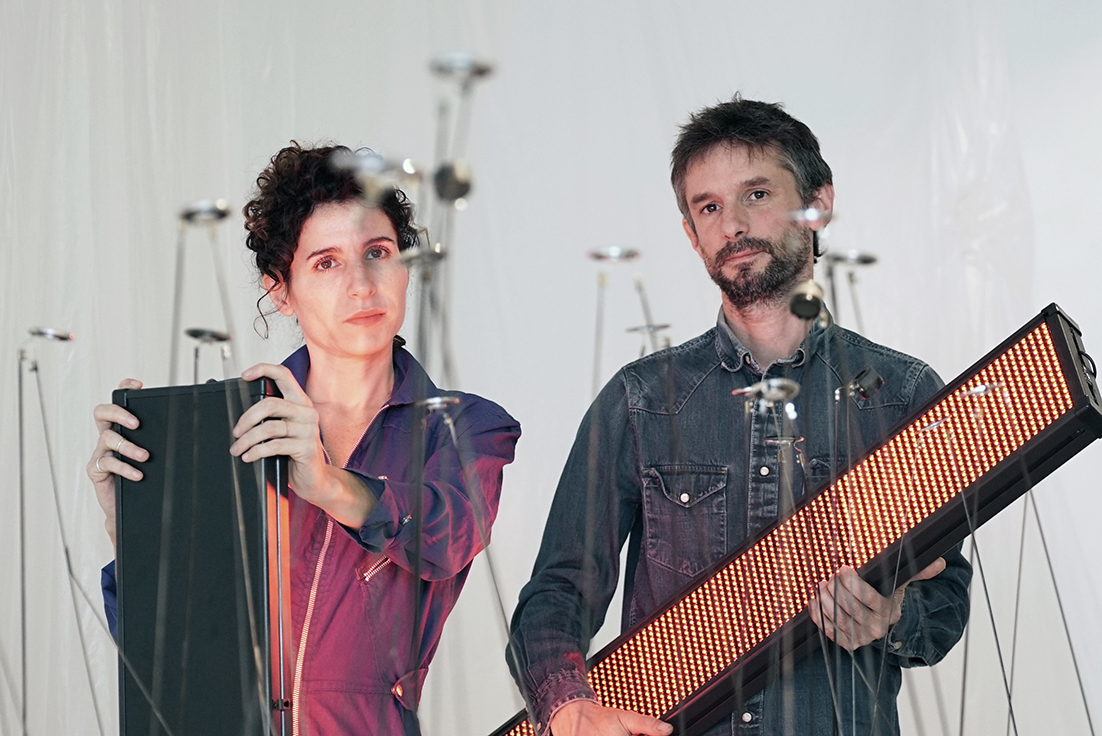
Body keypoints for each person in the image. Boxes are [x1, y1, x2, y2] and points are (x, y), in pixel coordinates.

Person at [506, 96, 971, 736]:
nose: (732, 225)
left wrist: (891, 617)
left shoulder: (901, 395)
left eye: (756, 194)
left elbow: (945, 600)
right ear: (691, 234)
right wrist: (564, 704)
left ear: (818, 204)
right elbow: (558, 590)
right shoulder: (641, 402)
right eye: (709, 208)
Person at [87, 143, 521, 735]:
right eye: (326, 263)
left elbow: (446, 538)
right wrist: (132, 531)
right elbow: (166, 659)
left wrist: (325, 483)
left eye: (378, 253)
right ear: (280, 291)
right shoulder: (222, 424)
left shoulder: (465, 427)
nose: (362, 285)